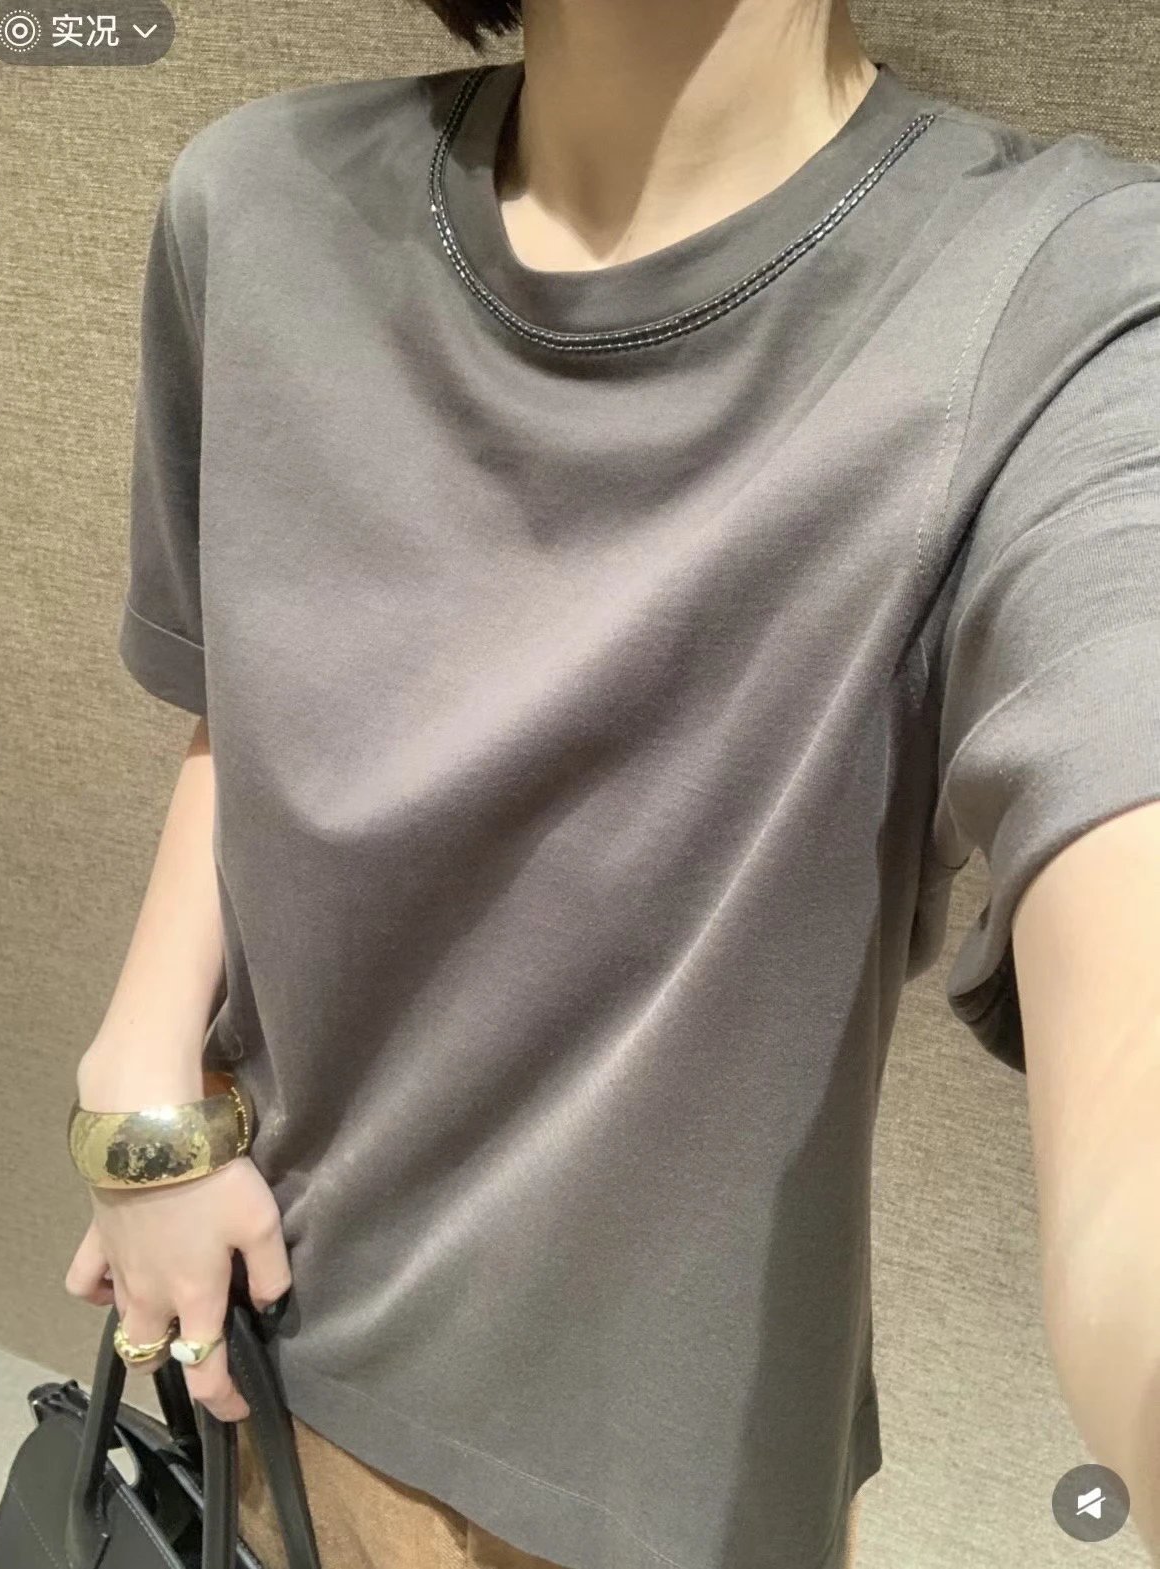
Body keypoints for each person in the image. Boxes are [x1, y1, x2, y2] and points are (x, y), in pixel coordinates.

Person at [63, 0, 1160, 1565]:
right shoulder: (252, 203)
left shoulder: (1067, 302)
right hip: (259, 1333)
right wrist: (141, 1096)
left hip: (654, 1490)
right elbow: (245, 699)